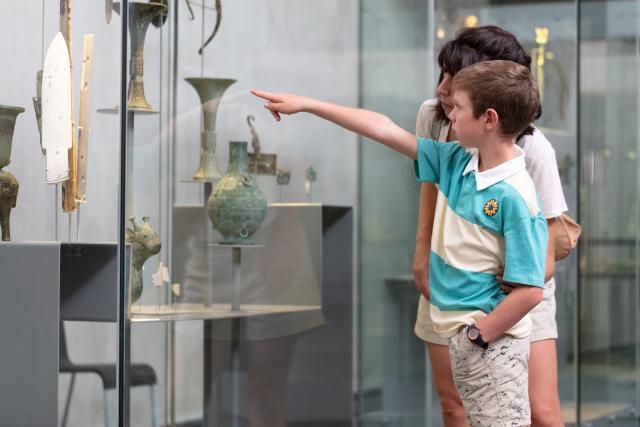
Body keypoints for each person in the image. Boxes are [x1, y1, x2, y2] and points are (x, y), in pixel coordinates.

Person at [252, 58, 550, 426]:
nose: (450, 115)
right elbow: (384, 129)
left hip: (490, 345)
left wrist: (478, 336)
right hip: (469, 341)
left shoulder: (516, 197)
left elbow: (530, 291)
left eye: (458, 107)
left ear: (489, 119)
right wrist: (310, 104)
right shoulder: (457, 160)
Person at [413, 26, 567, 427]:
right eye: (443, 74)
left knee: (542, 412)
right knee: (454, 405)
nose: (443, 88)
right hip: (451, 272)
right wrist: (421, 254)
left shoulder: (532, 148)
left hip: (513, 285)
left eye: (454, 77)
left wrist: (511, 293)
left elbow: (547, 246)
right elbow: (432, 188)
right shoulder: (434, 116)